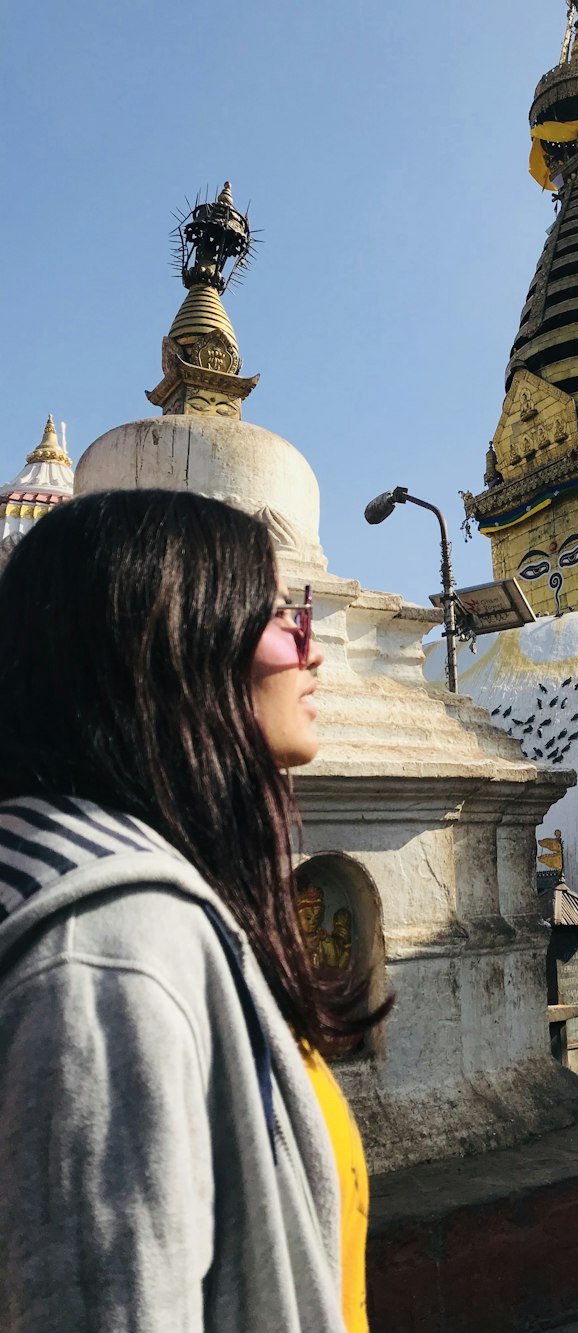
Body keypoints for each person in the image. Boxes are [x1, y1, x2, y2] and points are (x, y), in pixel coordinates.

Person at [0, 490, 388, 1331]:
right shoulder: (110, 950)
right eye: (287, 618)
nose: (314, 654)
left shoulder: (137, 904)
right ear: (181, 643)